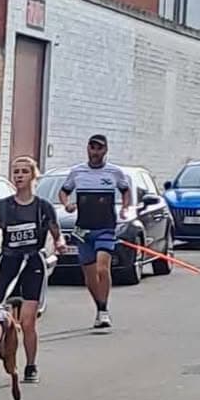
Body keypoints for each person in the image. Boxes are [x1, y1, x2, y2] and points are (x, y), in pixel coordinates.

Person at [0, 156, 65, 384]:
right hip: (9, 264)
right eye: (16, 172)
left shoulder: (43, 207)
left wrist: (60, 244)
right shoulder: (3, 207)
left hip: (32, 264)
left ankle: (30, 366)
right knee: (7, 321)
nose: (19, 176)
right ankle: (8, 362)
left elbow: (57, 235)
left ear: (33, 176)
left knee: (28, 322)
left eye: (24, 172)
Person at [58, 134, 133, 331]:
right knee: (89, 275)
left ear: (105, 150)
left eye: (99, 148)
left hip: (106, 227)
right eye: (92, 148)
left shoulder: (114, 172)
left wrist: (125, 208)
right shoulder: (77, 172)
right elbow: (64, 191)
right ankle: (100, 307)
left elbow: (126, 190)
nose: (95, 152)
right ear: (87, 149)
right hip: (83, 229)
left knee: (102, 268)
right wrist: (67, 204)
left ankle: (103, 308)